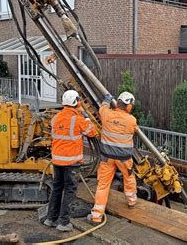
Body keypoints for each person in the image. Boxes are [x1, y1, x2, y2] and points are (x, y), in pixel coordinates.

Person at [44, 90, 97, 231]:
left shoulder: (56, 118)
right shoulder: (78, 119)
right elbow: (93, 132)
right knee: (69, 191)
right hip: (71, 163)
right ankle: (63, 222)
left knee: (57, 189)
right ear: (77, 102)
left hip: (57, 161)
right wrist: (86, 117)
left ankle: (50, 218)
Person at [87, 91, 138, 225]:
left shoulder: (105, 114)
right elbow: (133, 130)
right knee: (129, 178)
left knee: (103, 185)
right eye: (131, 105)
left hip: (107, 158)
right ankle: (131, 201)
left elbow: (102, 107)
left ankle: (96, 216)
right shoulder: (131, 120)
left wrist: (107, 99)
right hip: (124, 159)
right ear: (127, 105)